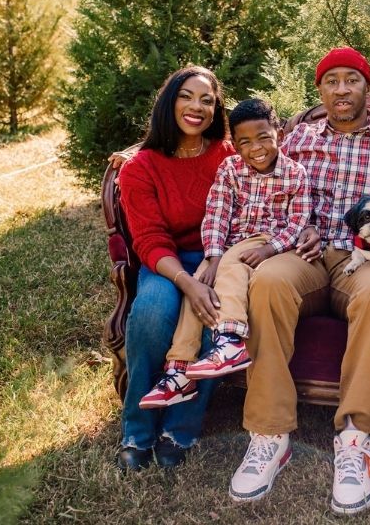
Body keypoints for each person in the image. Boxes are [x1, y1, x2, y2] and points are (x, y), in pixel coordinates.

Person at [227, 47, 370, 515]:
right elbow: (243, 160)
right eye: (331, 81)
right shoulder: (299, 138)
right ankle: (269, 434)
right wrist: (137, 152)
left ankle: (354, 437)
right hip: (305, 252)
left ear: (367, 86)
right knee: (267, 281)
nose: (341, 90)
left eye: (351, 80)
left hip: (367, 261)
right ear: (319, 89)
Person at [139, 98, 311, 408]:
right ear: (233, 143)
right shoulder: (230, 168)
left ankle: (230, 341)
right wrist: (214, 255)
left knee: (232, 264)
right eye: (244, 142)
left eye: (263, 138)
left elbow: (298, 221)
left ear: (280, 134)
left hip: (263, 239)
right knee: (200, 283)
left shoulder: (295, 173)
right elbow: (216, 213)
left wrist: (270, 248)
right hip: (227, 242)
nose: (255, 148)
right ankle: (179, 370)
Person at [115, 65, 234, 471]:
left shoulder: (227, 156)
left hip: (217, 257)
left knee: (211, 317)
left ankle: (179, 430)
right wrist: (186, 281)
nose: (196, 107)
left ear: (216, 109)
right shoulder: (140, 167)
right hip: (166, 263)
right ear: (170, 101)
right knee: (151, 314)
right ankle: (138, 430)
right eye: (186, 96)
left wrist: (212, 268)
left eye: (206, 99)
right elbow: (149, 239)